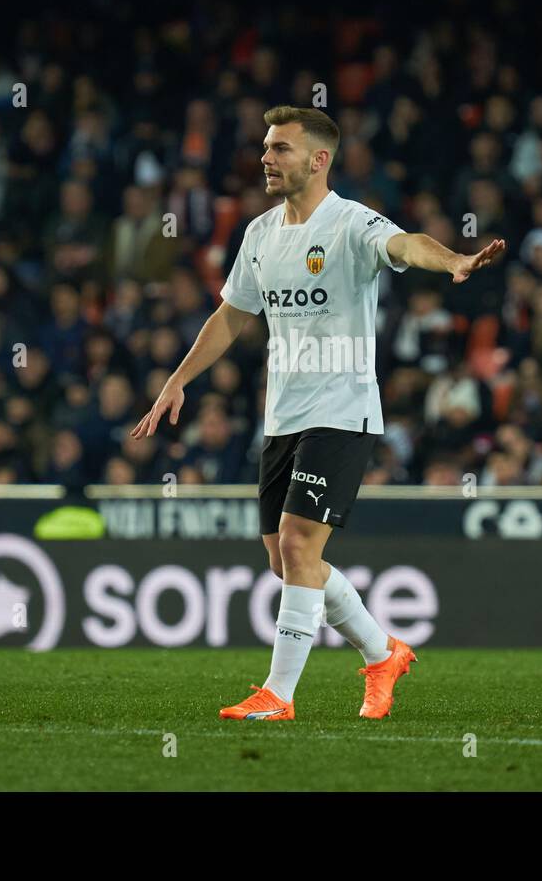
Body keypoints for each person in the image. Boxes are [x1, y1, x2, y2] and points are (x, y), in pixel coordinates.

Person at [131, 106, 504, 720]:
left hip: (341, 409)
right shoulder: (259, 234)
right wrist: (177, 381)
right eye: (266, 148)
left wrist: (454, 261)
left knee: (302, 545)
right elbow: (230, 316)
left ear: (318, 159)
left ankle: (278, 694)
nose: (265, 159)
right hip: (282, 416)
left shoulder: (351, 224)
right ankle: (383, 653)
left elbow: (405, 244)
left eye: (279, 149)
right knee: (284, 560)